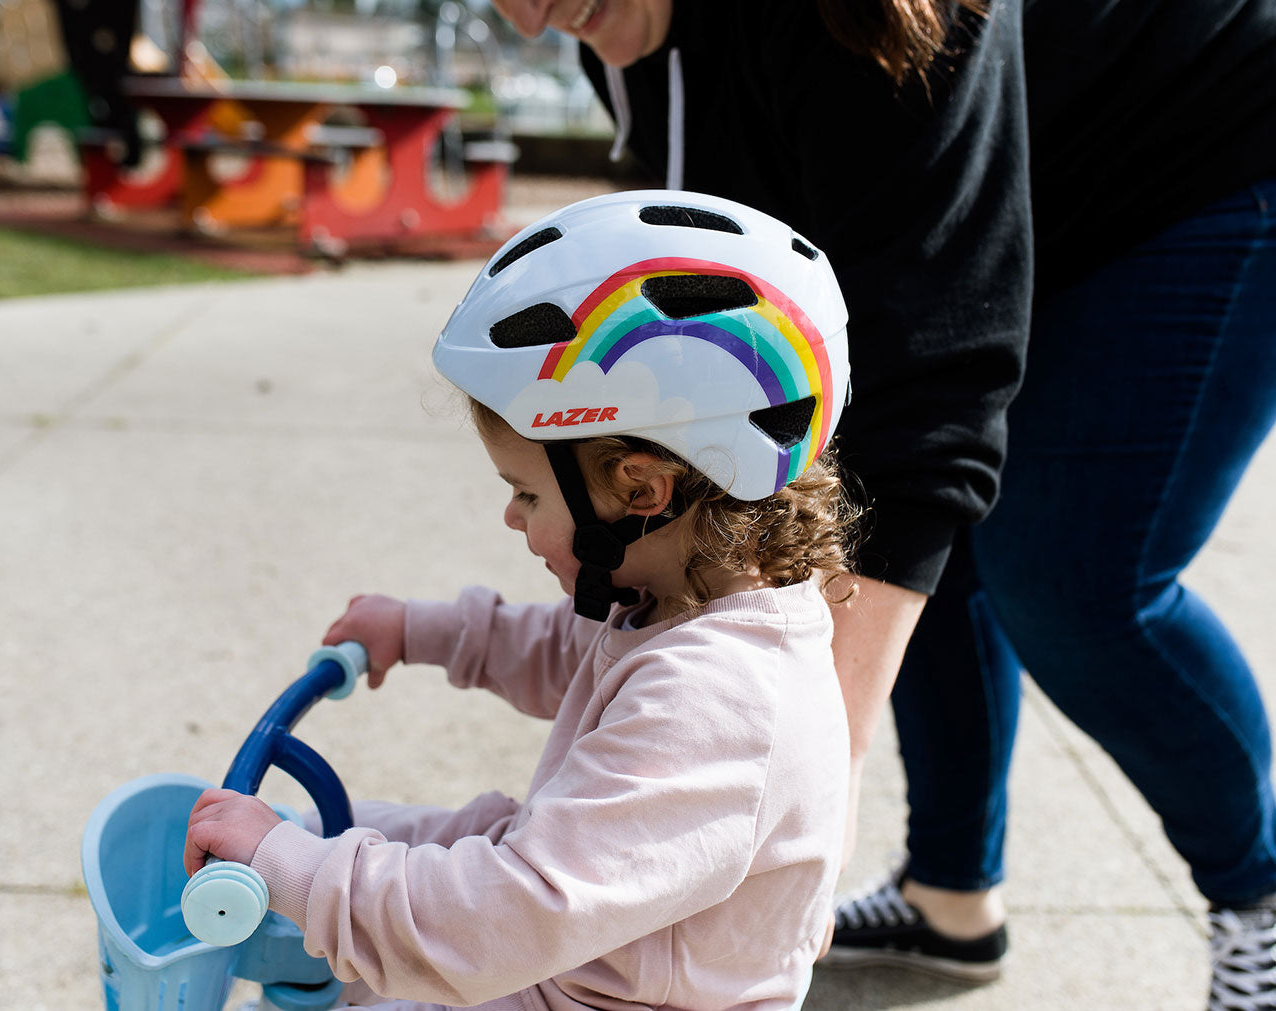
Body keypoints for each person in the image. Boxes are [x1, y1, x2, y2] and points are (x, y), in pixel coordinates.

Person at [485, 0, 1276, 1005]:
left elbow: (934, 389)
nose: (529, 11)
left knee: (1070, 580)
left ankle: (1259, 898)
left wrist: (802, 781)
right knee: (873, 517)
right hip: (1014, 180)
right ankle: (948, 900)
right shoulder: (613, 25)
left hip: (1194, 155)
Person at [184, 189, 860, 1010]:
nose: (512, 517)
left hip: (573, 976)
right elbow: (573, 654)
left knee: (345, 872)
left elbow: (506, 918)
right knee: (355, 831)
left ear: (641, 489)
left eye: (527, 493)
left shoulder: (722, 701)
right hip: (576, 953)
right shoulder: (686, 598)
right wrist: (427, 630)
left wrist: (287, 868)